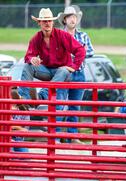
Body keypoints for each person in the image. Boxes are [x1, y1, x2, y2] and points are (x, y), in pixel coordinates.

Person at [17, 8, 86, 112]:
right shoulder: (36, 38)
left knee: (63, 71)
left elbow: (80, 50)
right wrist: (32, 59)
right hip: (47, 72)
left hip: (63, 73)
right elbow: (28, 57)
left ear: (53, 22)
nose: (47, 23)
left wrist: (73, 67)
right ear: (39, 23)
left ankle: (42, 96)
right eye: (44, 21)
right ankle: (24, 100)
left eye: (49, 21)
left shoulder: (62, 35)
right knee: (28, 66)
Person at [54, 5, 94, 144]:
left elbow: (90, 52)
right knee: (59, 105)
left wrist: (74, 54)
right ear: (65, 20)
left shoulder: (83, 35)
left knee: (75, 105)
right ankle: (56, 137)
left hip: (79, 73)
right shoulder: (58, 35)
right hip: (63, 74)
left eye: (75, 17)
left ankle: (72, 136)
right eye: (70, 17)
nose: (73, 19)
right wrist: (77, 52)